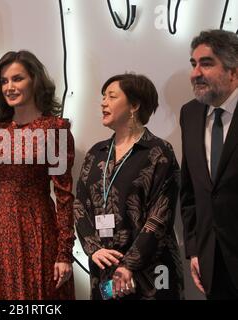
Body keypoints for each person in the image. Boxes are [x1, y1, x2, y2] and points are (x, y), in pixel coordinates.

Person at [0, 50, 76, 300]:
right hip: (6, 235)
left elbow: (64, 196)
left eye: (17, 79)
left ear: (34, 80)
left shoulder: (55, 129)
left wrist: (64, 252)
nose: (9, 87)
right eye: (4, 80)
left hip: (39, 230)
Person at [74, 73, 184, 300]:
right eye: (103, 97)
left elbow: (160, 216)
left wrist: (129, 265)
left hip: (150, 271)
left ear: (134, 105)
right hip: (104, 268)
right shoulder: (96, 153)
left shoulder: (158, 151)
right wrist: (94, 249)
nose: (103, 102)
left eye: (112, 96)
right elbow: (79, 206)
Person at [180, 29, 238, 300]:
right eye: (193, 64)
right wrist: (194, 249)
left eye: (206, 63)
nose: (195, 73)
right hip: (211, 263)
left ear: (233, 71)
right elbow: (190, 191)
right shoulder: (189, 114)